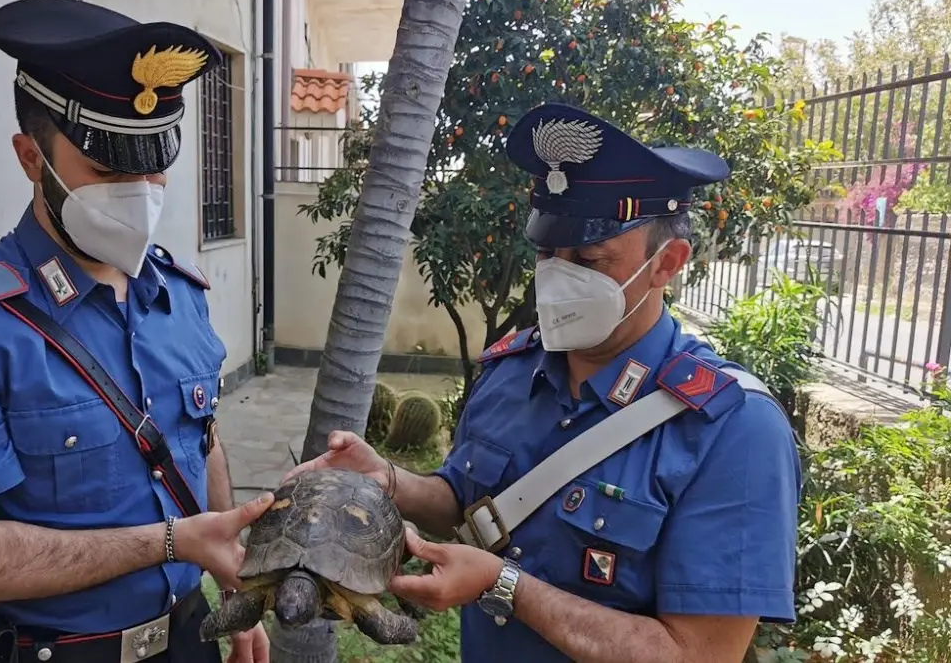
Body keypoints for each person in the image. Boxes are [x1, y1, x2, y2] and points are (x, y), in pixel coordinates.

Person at [284, 103, 803, 662]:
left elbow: (698, 654)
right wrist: (389, 480)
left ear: (666, 263)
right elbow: (466, 501)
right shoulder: (511, 371)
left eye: (589, 258)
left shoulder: (732, 429)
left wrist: (504, 585)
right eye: (547, 252)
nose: (558, 275)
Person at [0, 0, 272, 663]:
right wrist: (172, 542)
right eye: (109, 169)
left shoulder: (180, 297)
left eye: (153, 164)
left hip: (187, 639)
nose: (139, 190)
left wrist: (235, 586)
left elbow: (203, 440)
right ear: (31, 157)